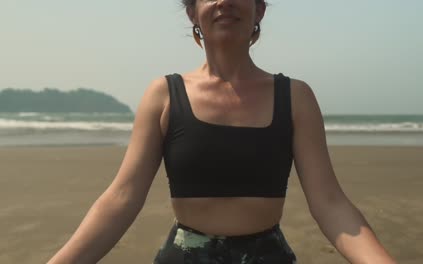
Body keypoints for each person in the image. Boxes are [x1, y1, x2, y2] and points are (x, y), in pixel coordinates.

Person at [48, 0, 397, 263]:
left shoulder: (295, 97)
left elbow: (331, 205)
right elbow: (121, 200)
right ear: (192, 12)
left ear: (259, 10)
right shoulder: (164, 95)